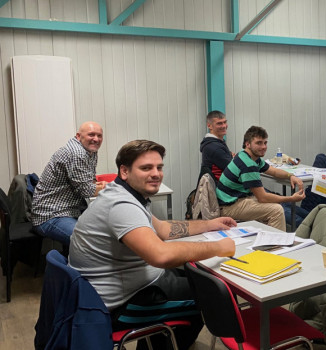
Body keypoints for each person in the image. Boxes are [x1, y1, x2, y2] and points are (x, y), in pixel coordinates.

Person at [68, 140, 237, 350]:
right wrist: (220, 247)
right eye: (146, 168)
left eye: (159, 167)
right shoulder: (121, 206)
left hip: (127, 286)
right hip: (119, 306)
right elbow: (160, 255)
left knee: (200, 277)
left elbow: (164, 230)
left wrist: (208, 224)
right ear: (124, 171)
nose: (156, 173)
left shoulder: (125, 194)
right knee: (212, 294)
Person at [31, 121, 107, 246]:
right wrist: (111, 187)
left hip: (68, 210)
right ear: (78, 136)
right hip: (50, 215)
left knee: (103, 229)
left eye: (99, 136)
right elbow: (86, 190)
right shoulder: (77, 153)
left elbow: (89, 181)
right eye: (91, 135)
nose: (96, 139)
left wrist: (99, 185)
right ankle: (66, 265)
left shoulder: (89, 151)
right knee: (89, 242)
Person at [216, 126, 305, 231]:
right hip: (228, 207)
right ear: (247, 144)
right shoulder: (249, 165)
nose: (263, 147)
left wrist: (291, 176)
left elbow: (274, 171)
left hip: (236, 199)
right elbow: (262, 198)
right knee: (276, 210)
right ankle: (276, 245)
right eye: (259, 143)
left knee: (277, 200)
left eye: (265, 143)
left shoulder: (248, 156)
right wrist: (291, 198)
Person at [200, 110, 233, 181]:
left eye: (225, 122)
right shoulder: (214, 147)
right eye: (219, 123)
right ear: (209, 126)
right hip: (222, 189)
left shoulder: (217, 143)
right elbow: (234, 168)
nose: (224, 126)